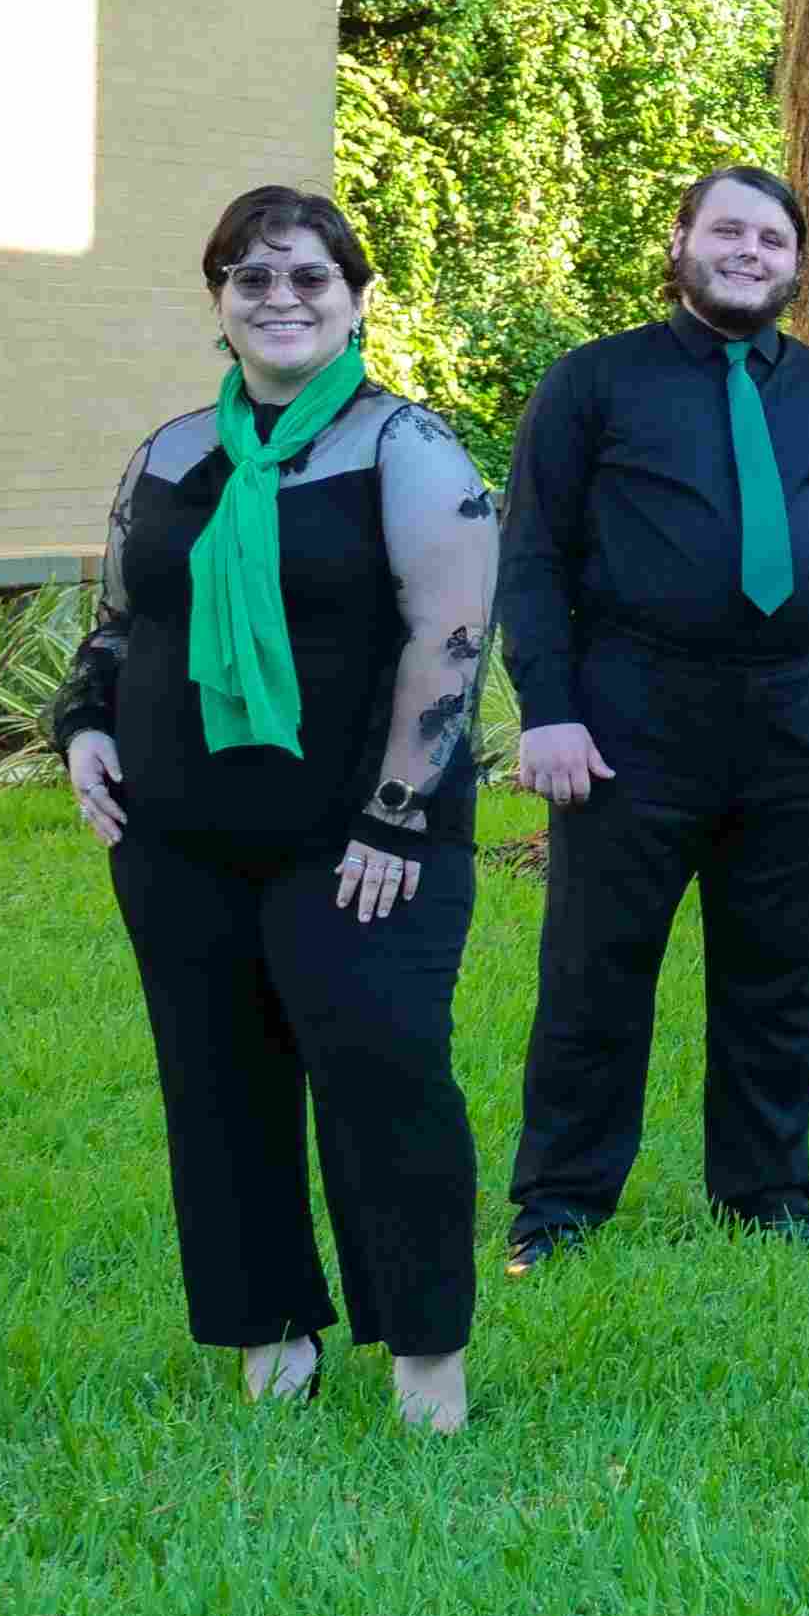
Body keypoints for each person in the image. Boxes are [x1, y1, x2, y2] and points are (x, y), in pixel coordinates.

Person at [50, 184, 498, 1433]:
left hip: (359, 843)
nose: (280, 298)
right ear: (219, 303)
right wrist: (83, 723)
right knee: (215, 1083)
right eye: (252, 278)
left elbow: (453, 639)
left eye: (308, 277)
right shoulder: (172, 451)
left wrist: (397, 815)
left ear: (357, 299)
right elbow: (123, 621)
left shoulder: (405, 449)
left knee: (384, 1074)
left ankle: (424, 1364)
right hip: (178, 840)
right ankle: (271, 1344)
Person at [500, 165, 809, 1268]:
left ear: (798, 263)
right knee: (596, 974)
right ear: (682, 242)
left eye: (773, 239)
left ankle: (765, 1194)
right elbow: (533, 557)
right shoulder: (593, 383)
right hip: (629, 719)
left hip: (798, 719)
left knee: (780, 974)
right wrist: (547, 711)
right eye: (729, 232)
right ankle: (559, 1208)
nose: (751, 253)